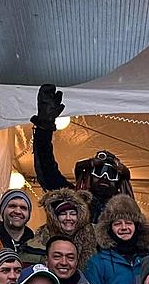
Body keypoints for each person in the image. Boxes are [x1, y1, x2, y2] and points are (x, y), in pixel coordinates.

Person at [30, 84, 134, 221]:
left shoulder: (126, 219)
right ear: (88, 176)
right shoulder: (71, 201)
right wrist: (44, 128)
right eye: (99, 170)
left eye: (112, 174)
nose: (104, 177)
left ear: (119, 183)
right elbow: (47, 171)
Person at [83, 195, 149, 284]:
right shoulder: (98, 262)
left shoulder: (148, 258)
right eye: (117, 224)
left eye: (129, 223)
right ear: (109, 228)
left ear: (137, 226)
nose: (124, 227)